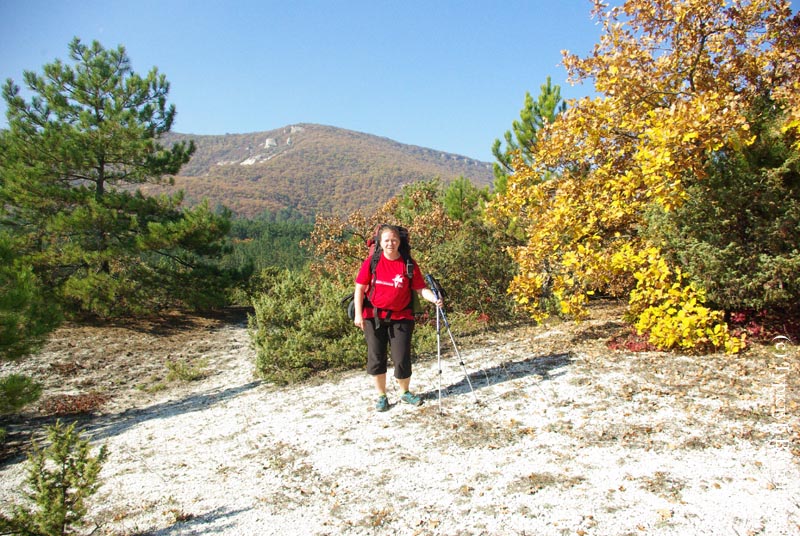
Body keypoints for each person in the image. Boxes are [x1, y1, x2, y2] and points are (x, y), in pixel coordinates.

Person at [353, 224, 442, 412]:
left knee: (401, 357)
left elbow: (420, 288)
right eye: (386, 240)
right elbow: (360, 288)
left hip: (402, 317)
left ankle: (404, 392)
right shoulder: (372, 262)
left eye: (394, 240)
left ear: (399, 242)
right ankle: (381, 396)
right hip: (373, 316)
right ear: (380, 242)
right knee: (376, 357)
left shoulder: (408, 264)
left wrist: (434, 299)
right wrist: (358, 315)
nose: (390, 244)